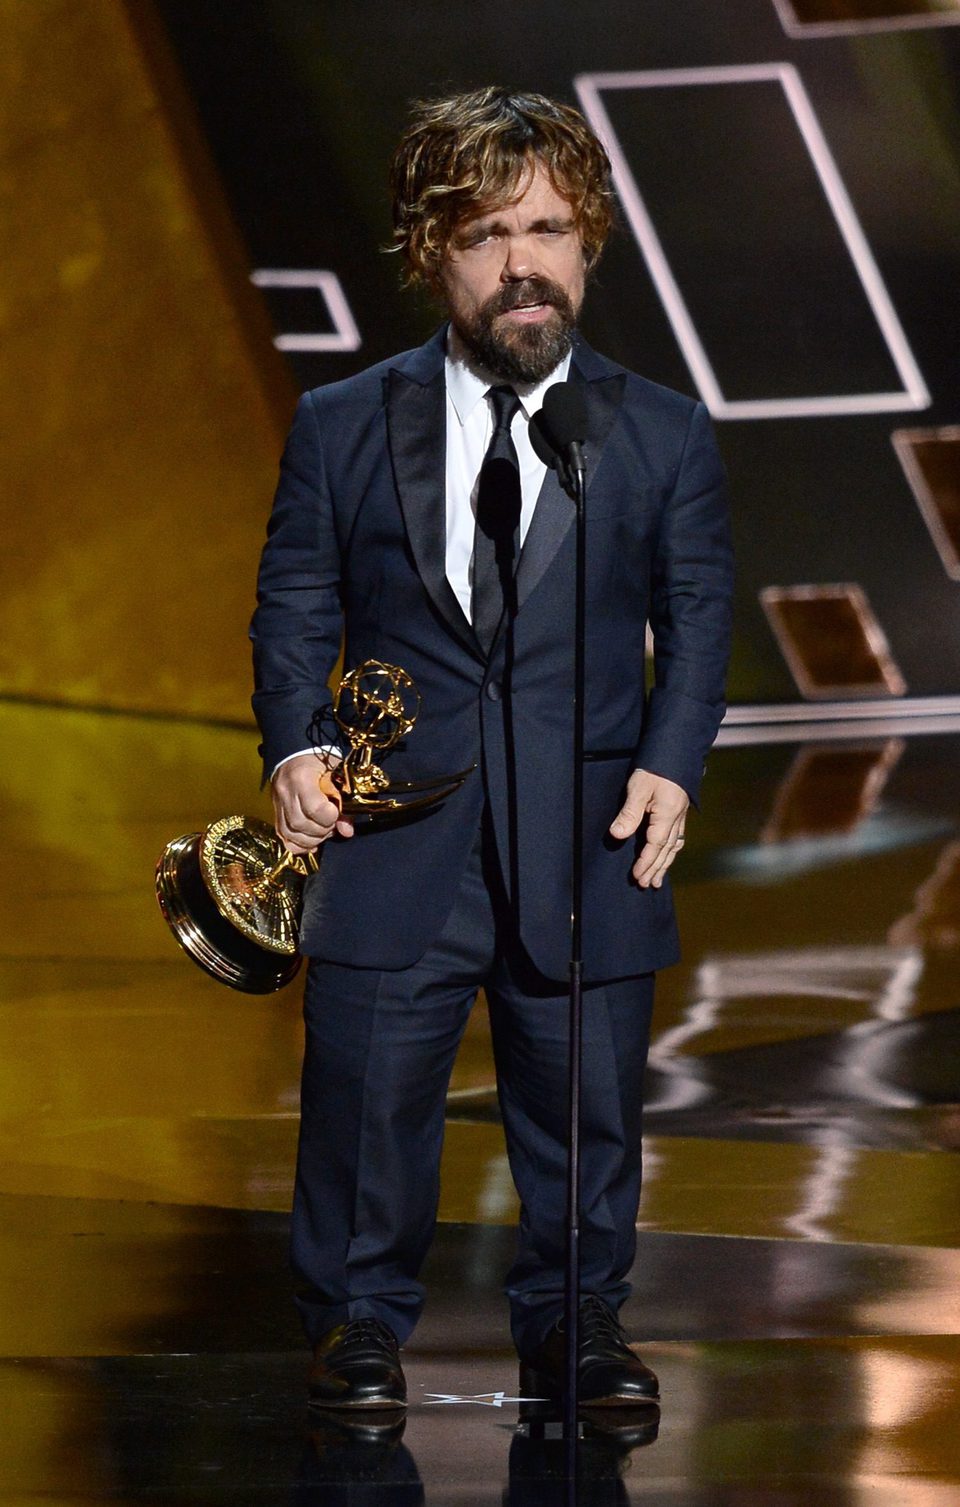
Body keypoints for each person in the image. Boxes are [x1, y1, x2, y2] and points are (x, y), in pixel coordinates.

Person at [250, 86, 733, 1411]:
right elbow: (297, 593)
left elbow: (696, 610)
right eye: (485, 234)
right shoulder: (347, 422)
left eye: (550, 230)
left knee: (584, 1113)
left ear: (590, 246)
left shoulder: (660, 431)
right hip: (392, 827)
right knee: (363, 1102)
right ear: (430, 250)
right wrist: (294, 746)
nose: (524, 263)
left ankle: (578, 1324)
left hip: (586, 833)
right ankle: (355, 1325)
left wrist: (674, 759)